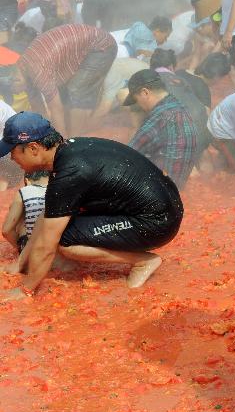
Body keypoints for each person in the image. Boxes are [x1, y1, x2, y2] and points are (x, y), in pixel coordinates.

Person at [0, 112, 183, 300]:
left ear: (33, 148)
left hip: (157, 222)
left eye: (12, 152)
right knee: (54, 216)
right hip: (166, 205)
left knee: (64, 241)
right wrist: (21, 262)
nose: (12, 160)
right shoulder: (69, 150)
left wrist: (26, 290)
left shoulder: (70, 173)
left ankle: (143, 262)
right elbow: (48, 214)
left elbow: (47, 244)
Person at [0, 24, 118, 135]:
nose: (17, 93)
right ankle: (73, 133)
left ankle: (76, 138)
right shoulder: (23, 69)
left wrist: (59, 141)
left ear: (16, 80)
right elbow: (38, 108)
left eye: (13, 91)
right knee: (63, 95)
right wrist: (42, 133)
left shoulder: (37, 70)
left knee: (76, 91)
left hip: (101, 46)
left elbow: (56, 108)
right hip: (81, 46)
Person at [124, 69, 197, 188]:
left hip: (157, 191)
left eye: (136, 100)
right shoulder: (180, 107)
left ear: (145, 92)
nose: (138, 105)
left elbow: (127, 156)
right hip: (177, 189)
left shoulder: (160, 116)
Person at [2, 170, 49, 257]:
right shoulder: (58, 191)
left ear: (27, 181)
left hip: (32, 252)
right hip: (56, 250)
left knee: (18, 211)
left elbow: (6, 231)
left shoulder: (25, 191)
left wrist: (20, 248)